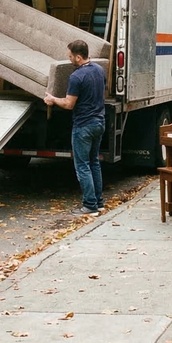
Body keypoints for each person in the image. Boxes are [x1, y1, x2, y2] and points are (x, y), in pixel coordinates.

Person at [44, 40, 106, 216]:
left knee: (82, 166)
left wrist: (53, 99)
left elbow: (69, 104)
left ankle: (90, 205)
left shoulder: (76, 77)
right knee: (94, 162)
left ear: (78, 57)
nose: (69, 58)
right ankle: (99, 203)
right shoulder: (99, 70)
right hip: (99, 122)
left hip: (83, 125)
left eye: (70, 56)